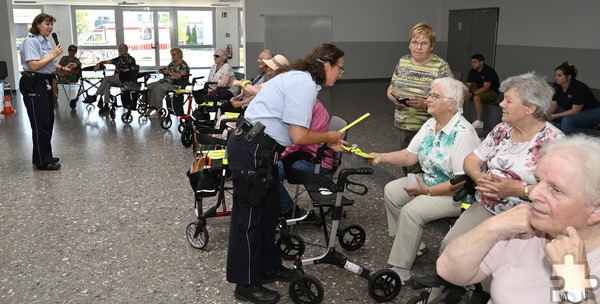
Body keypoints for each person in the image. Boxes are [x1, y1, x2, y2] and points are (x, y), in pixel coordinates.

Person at [226, 43, 346, 304]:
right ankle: (245, 284)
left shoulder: (298, 79)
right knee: (247, 220)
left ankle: (269, 267)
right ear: (326, 64)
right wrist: (329, 135)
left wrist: (326, 141)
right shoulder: (302, 84)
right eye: (340, 68)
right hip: (253, 150)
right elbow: (299, 135)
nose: (341, 73)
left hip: (261, 149)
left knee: (268, 213)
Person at [437, 134, 600, 303]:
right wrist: (494, 225)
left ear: (596, 209)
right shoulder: (527, 230)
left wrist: (574, 284)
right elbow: (449, 271)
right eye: (537, 181)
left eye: (556, 190)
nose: (534, 194)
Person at [369, 77, 480, 285]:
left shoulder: (462, 134)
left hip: (454, 193)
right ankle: (416, 245)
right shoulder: (431, 124)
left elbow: (461, 182)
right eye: (430, 94)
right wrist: (381, 156)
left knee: (412, 211)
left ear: (452, 104)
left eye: (434, 96)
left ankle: (401, 270)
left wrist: (427, 191)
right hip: (429, 180)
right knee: (392, 190)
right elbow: (409, 156)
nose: (428, 99)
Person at [439, 72, 565, 252]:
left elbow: (561, 193)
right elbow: (472, 159)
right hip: (487, 205)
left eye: (508, 101)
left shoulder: (554, 143)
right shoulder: (502, 129)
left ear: (530, 108)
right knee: (450, 246)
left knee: (497, 267)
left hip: (527, 215)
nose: (501, 104)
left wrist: (517, 190)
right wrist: (478, 177)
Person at [386, 22, 454, 175]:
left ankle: (422, 195)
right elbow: (391, 87)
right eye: (414, 42)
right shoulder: (403, 61)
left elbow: (451, 99)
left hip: (428, 126)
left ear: (432, 46)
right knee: (406, 165)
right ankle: (412, 192)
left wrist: (424, 104)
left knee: (423, 168)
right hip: (402, 123)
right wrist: (392, 96)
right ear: (409, 44)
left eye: (424, 43)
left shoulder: (440, 67)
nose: (418, 47)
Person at [19, 13, 77, 171]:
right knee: (41, 124)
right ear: (38, 24)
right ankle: (43, 162)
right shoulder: (31, 41)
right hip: (33, 83)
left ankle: (41, 155)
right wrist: (53, 54)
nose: (50, 27)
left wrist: (64, 68)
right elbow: (34, 65)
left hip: (44, 82)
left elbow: (49, 62)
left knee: (48, 121)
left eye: (51, 24)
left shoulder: (44, 41)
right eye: (47, 24)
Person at [278, 99, 332, 218]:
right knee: (271, 170)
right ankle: (281, 206)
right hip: (306, 156)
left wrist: (279, 155)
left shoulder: (307, 109)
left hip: (317, 162)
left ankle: (288, 210)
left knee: (272, 172)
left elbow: (296, 141)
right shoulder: (309, 104)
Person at [547, 62, 600, 135]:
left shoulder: (579, 88)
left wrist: (554, 116)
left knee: (568, 120)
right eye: (555, 75)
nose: (556, 78)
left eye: (559, 75)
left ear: (568, 77)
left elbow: (575, 111)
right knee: (543, 113)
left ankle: (569, 143)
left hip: (593, 112)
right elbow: (554, 104)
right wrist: (548, 114)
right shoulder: (557, 86)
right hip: (572, 110)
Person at [90, 44, 137, 114]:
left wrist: (125, 70)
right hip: (116, 79)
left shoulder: (131, 59)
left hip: (125, 79)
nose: (121, 49)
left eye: (123, 48)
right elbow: (107, 62)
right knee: (107, 84)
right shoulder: (118, 59)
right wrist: (99, 63)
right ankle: (106, 105)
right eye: (119, 48)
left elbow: (132, 71)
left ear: (127, 49)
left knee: (106, 78)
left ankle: (95, 96)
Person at [146, 47, 190, 116]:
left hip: (175, 84)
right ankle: (151, 106)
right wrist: (163, 71)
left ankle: (158, 110)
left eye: (174, 55)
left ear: (179, 55)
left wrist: (169, 72)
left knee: (158, 89)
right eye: (172, 55)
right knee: (149, 86)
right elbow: (168, 72)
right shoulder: (172, 64)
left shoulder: (183, 65)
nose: (172, 56)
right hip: (165, 81)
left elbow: (180, 76)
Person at [465, 54, 500, 129]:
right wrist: (467, 92)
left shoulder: (489, 71)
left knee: (476, 98)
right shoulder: (472, 71)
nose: (473, 64)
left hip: (492, 92)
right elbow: (468, 84)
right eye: (472, 62)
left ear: (481, 62)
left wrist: (472, 94)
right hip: (480, 90)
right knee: (462, 94)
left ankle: (479, 122)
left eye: (475, 62)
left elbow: (486, 88)